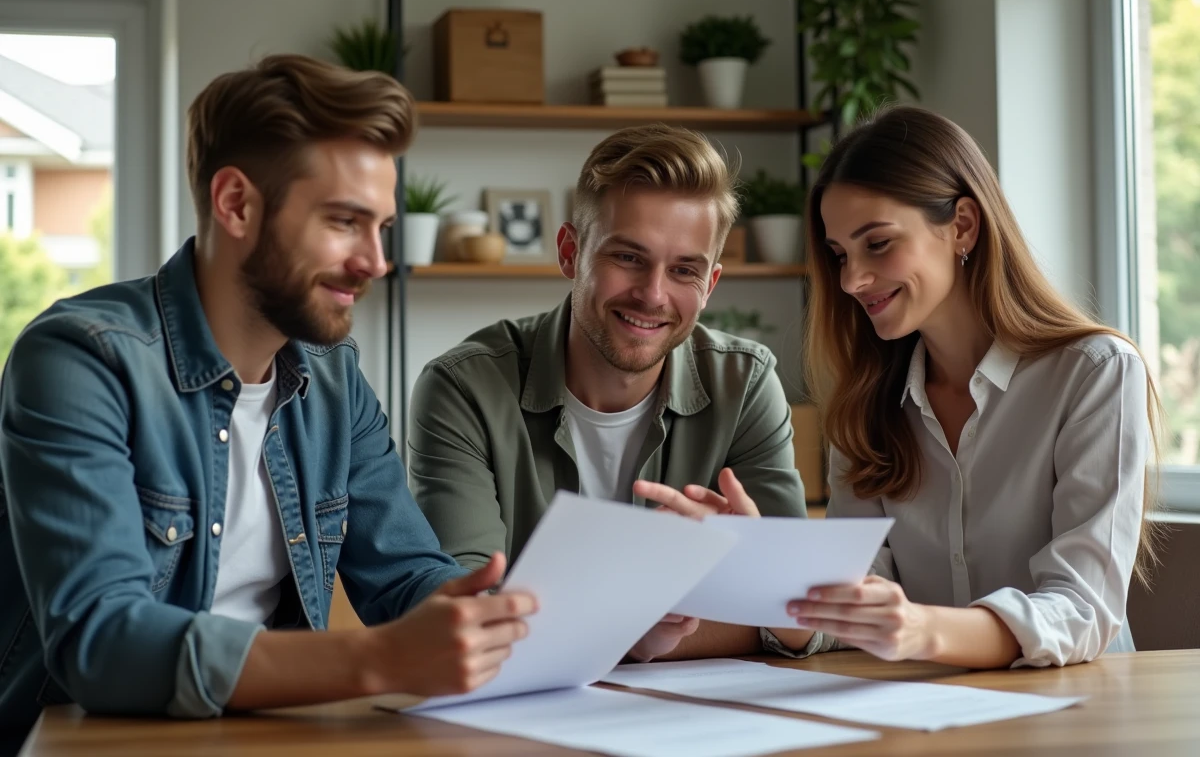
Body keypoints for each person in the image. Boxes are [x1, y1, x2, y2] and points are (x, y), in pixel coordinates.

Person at [0, 54, 535, 750]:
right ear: (236, 204)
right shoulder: (80, 359)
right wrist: (381, 659)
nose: (375, 262)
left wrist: (511, 621)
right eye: (345, 221)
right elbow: (101, 640)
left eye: (382, 229)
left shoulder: (334, 378)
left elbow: (406, 575)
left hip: (267, 736)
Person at [642, 105, 1159, 670]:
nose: (851, 279)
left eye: (878, 244)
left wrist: (921, 629)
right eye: (840, 254)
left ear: (962, 225)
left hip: (1082, 712)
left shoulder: (1095, 372)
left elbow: (1082, 607)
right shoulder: (867, 401)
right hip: (923, 709)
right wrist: (766, 568)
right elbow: (859, 596)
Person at [408, 123, 813, 663]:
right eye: (628, 258)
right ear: (570, 253)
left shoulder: (745, 382)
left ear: (710, 285)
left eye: (684, 269)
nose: (652, 294)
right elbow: (468, 620)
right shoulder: (464, 389)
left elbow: (805, 616)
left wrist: (771, 598)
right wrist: (647, 630)